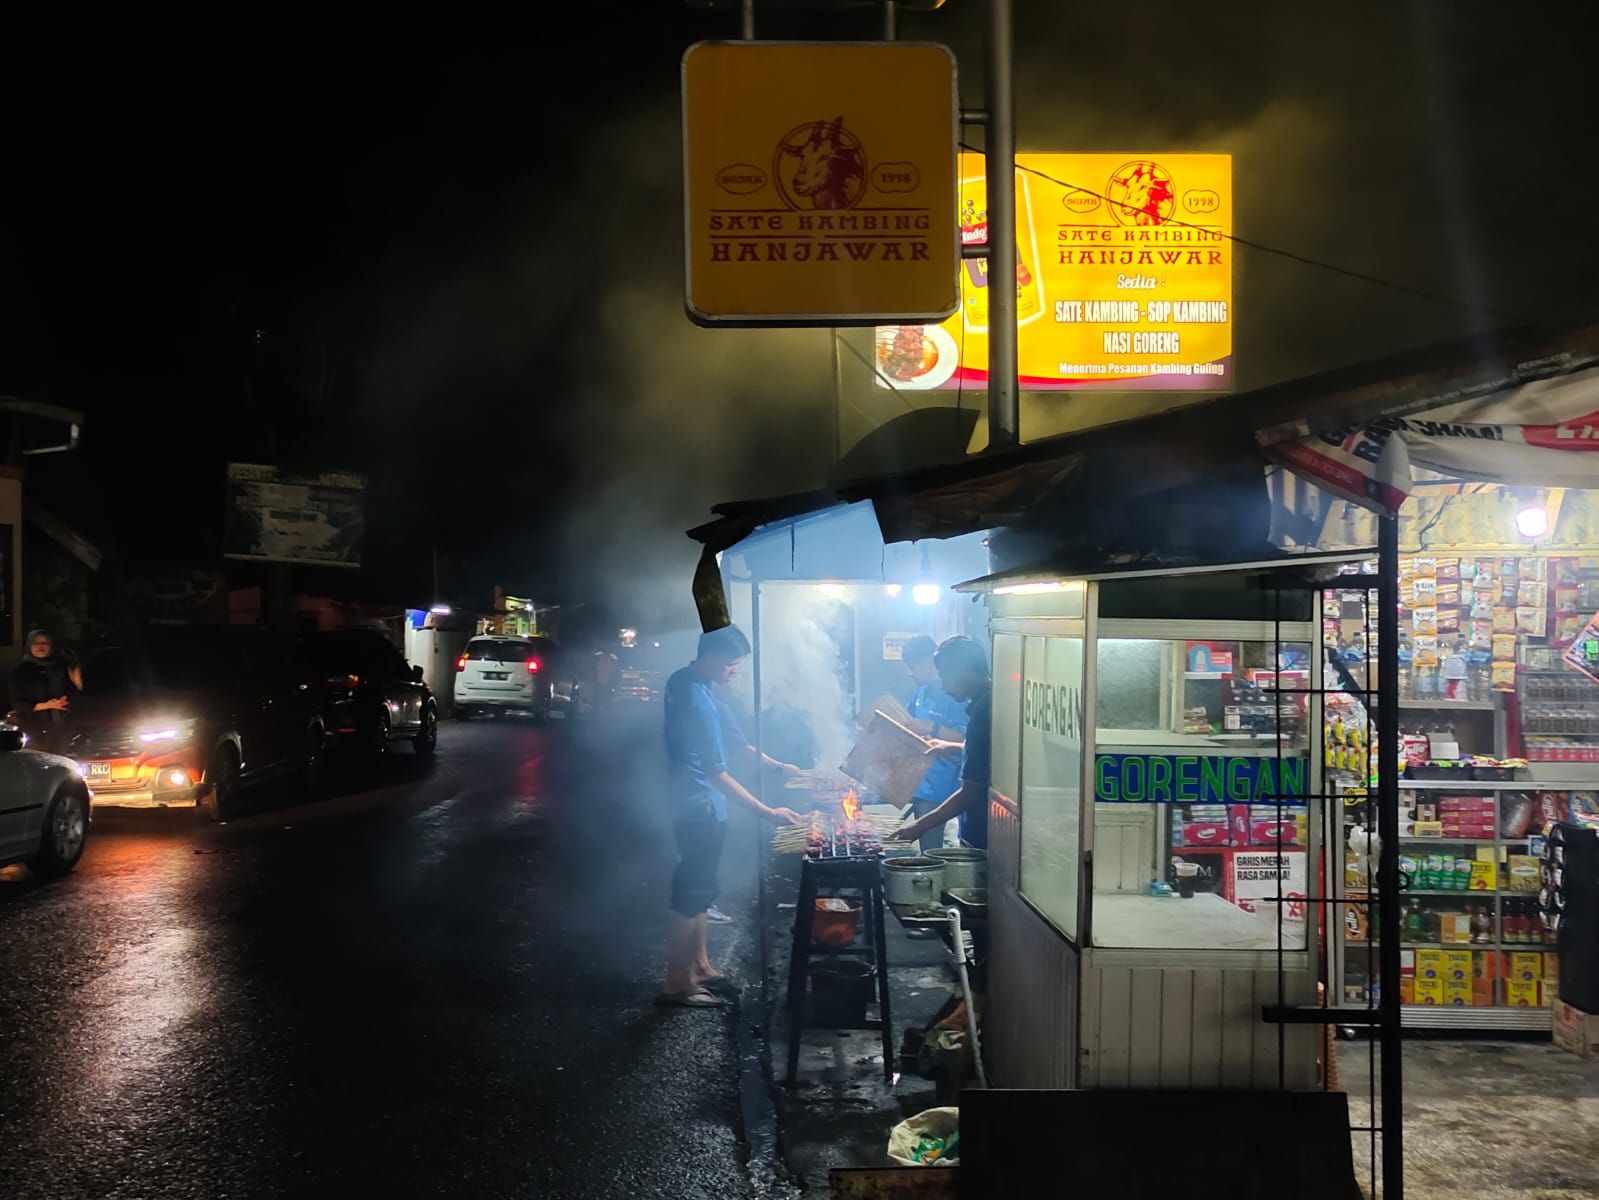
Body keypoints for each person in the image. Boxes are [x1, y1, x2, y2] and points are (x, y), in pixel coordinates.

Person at [658, 625, 800, 1008]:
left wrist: (778, 767)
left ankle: (700, 965)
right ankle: (677, 981)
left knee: (702, 889)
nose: (735, 671)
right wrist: (767, 812)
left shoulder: (693, 682)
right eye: (733, 664)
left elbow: (737, 742)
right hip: (697, 806)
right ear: (713, 658)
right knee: (690, 891)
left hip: (698, 805)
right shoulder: (695, 696)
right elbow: (714, 771)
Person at [893, 636, 992, 852]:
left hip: (985, 828)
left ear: (963, 672)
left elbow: (970, 792)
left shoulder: (984, 712)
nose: (944, 686)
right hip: (973, 824)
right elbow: (988, 751)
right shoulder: (983, 703)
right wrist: (953, 747)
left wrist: (918, 826)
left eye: (945, 677)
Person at [900, 635, 968, 854]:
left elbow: (967, 739)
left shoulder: (954, 694)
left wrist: (932, 727)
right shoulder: (918, 695)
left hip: (946, 791)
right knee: (928, 850)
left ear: (928, 662)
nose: (909, 673)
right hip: (921, 786)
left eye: (913, 667)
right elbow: (908, 730)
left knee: (937, 854)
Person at [10, 628, 83, 749]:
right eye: (36, 643)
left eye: (45, 643)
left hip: (63, 730)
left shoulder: (61, 667)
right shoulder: (21, 671)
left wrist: (72, 692)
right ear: (29, 645)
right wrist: (46, 705)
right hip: (34, 732)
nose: (40, 646)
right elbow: (17, 703)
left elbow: (74, 694)